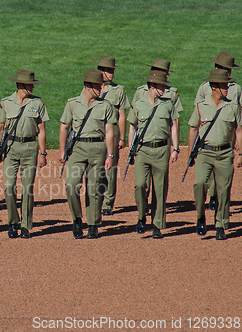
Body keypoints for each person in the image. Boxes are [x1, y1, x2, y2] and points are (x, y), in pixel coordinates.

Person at [59, 69, 115, 239]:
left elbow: (110, 132)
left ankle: (93, 224)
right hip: (77, 149)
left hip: (98, 149)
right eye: (98, 86)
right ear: (88, 86)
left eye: (102, 85)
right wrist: (62, 150)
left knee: (94, 188)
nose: (101, 89)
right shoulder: (73, 104)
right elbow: (64, 127)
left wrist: (110, 155)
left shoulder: (105, 106)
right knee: (71, 185)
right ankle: (77, 219)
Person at [188, 69, 242, 240]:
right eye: (224, 85)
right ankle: (200, 216)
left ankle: (220, 224)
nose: (227, 88)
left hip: (225, 153)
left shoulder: (233, 106)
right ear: (214, 87)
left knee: (224, 190)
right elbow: (193, 128)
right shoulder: (201, 105)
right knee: (200, 184)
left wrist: (241, 153)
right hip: (205, 152)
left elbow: (239, 130)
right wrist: (191, 152)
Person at [0, 69, 48, 239]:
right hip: (11, 148)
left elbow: (41, 130)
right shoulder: (6, 102)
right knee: (9, 187)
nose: (32, 88)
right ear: (20, 85)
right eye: (29, 85)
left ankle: (25, 225)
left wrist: (43, 153)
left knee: (28, 188)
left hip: (30, 148)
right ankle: (13, 222)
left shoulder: (37, 103)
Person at [128, 70, 179, 239]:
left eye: (165, 85)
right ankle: (141, 216)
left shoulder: (168, 104)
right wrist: (131, 149)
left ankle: (157, 224)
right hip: (143, 150)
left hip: (162, 150)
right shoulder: (138, 103)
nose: (164, 89)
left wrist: (176, 148)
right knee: (140, 185)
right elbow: (132, 127)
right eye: (161, 86)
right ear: (151, 86)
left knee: (160, 188)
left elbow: (173, 126)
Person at [194, 52, 241, 211]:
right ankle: (212, 195)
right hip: (208, 134)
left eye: (229, 70)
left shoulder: (236, 89)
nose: (228, 73)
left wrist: (236, 140)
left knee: (222, 171)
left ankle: (215, 196)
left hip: (227, 132)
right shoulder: (204, 87)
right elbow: (198, 112)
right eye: (225, 69)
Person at [89, 56, 129, 216]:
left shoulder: (119, 90)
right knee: (96, 167)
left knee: (110, 169)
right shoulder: (91, 88)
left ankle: (107, 202)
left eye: (112, 71)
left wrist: (122, 138)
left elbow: (122, 115)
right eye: (108, 71)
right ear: (100, 71)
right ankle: (96, 198)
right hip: (96, 132)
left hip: (113, 131)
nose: (111, 74)